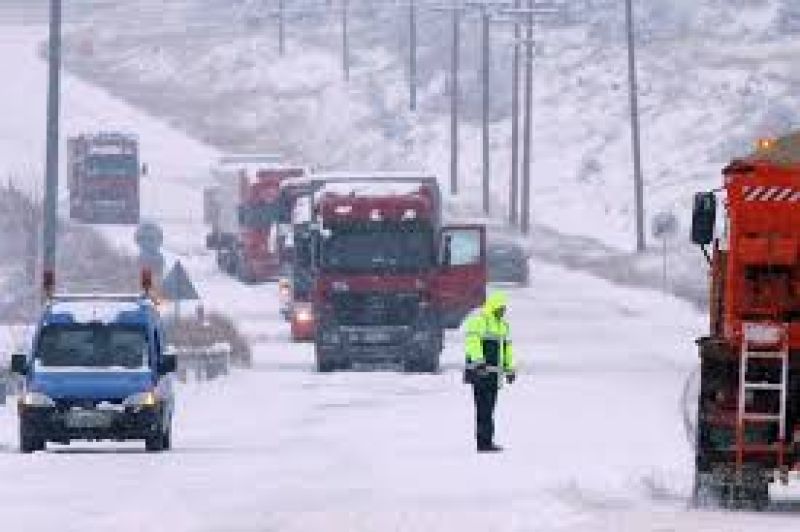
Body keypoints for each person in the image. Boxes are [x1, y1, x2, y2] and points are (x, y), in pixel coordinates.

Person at [464, 291, 516, 453]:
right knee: (483, 408)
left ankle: (487, 441)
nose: (503, 312)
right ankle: (483, 443)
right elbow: (472, 343)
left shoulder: (503, 326)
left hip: (494, 376)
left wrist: (510, 369)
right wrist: (479, 362)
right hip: (479, 374)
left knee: (489, 408)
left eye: (504, 309)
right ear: (493, 307)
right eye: (500, 308)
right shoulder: (479, 322)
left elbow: (507, 350)